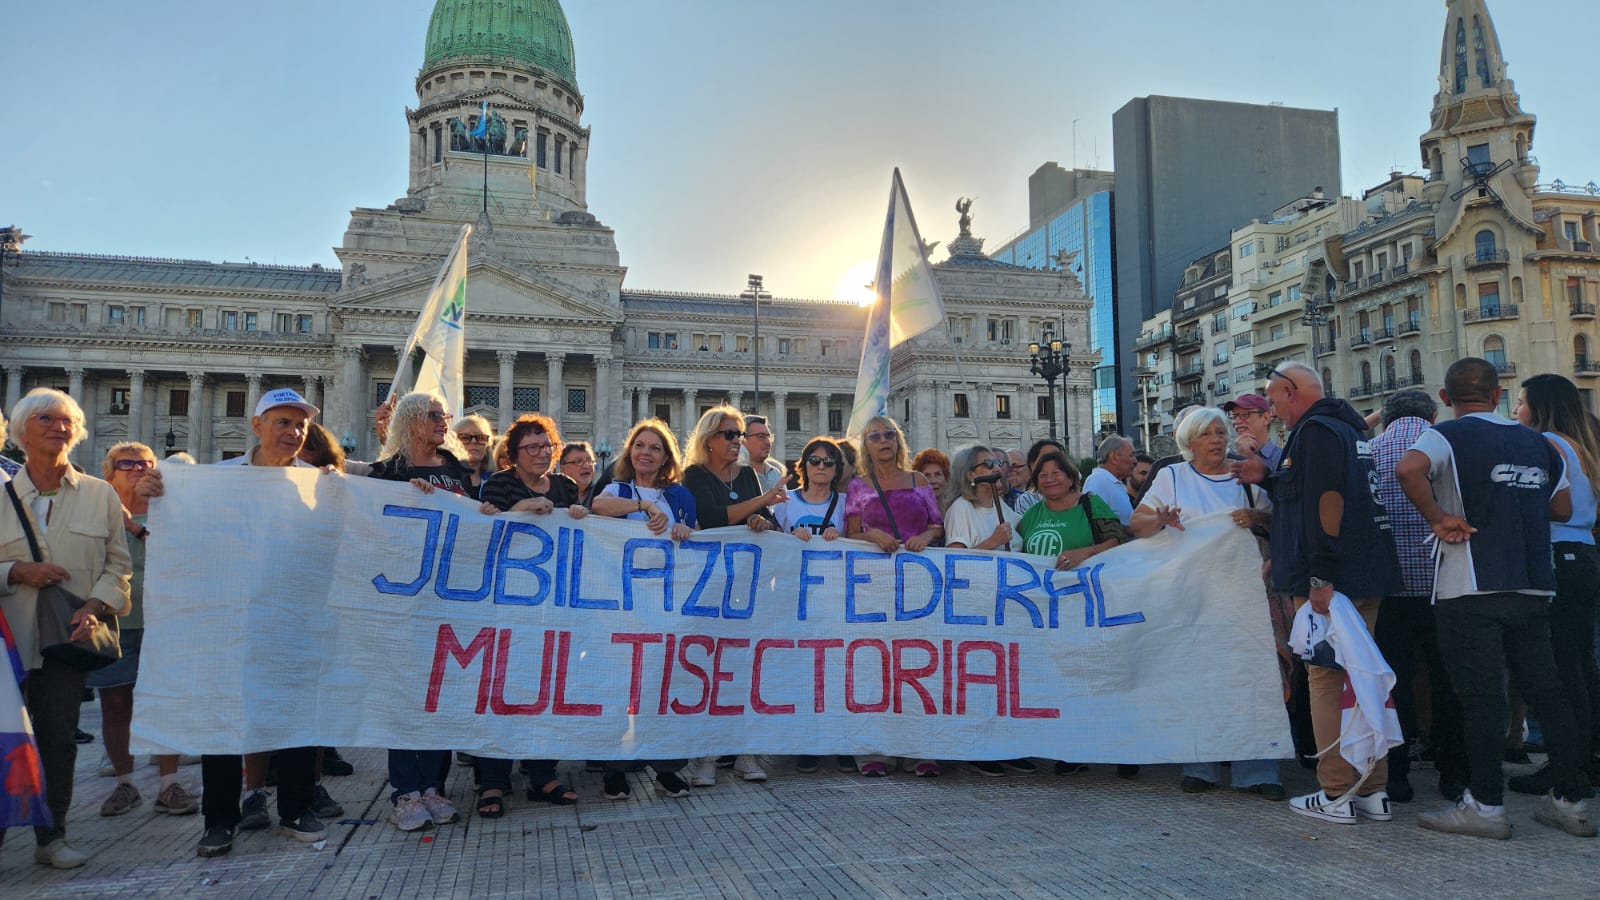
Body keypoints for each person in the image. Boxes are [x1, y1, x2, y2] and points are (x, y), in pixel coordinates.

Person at [1397, 359, 1595, 839]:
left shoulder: (1447, 434)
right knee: (1549, 691)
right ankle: (1569, 800)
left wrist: (1438, 516)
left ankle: (1485, 807)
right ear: (1498, 394)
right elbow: (1562, 505)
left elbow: (1408, 468)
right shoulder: (1538, 441)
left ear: (1446, 399)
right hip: (1533, 581)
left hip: (1471, 582)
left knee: (1482, 697)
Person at [137, 387, 331, 856]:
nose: (293, 431)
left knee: (295, 714)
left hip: (293, 620)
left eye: (300, 424)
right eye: (283, 422)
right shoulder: (215, 481)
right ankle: (219, 818)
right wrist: (153, 495)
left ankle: (297, 809)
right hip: (228, 620)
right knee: (221, 715)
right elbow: (184, 531)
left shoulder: (321, 484)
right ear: (257, 425)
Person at [1234, 363, 1400, 826]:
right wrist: (1266, 478)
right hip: (1363, 575)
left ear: (1291, 391)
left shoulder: (1316, 432)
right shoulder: (1347, 430)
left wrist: (1319, 578)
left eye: (1274, 399)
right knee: (1361, 676)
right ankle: (1373, 789)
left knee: (1327, 679)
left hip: (1333, 582)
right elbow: (1306, 492)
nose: (1273, 409)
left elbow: (1327, 502)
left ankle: (1335, 792)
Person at [0, 389, 132, 869]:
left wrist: (96, 605)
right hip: (6, 642)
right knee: (3, 738)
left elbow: (118, 565)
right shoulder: (0, 494)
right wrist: (14, 573)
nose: (58, 426)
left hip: (66, 639)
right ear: (20, 431)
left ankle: (51, 836)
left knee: (58, 737)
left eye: (66, 420)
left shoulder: (100, 494)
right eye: (45, 419)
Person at [1129, 408, 1281, 800]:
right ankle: (1200, 764)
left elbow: (1275, 517)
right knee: (1196, 678)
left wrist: (1256, 515)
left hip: (1242, 595)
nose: (1215, 440)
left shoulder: (1242, 475)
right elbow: (1138, 523)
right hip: (1190, 598)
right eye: (1206, 434)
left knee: (1250, 679)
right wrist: (1161, 519)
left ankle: (1259, 768)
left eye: (1220, 432)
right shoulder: (1173, 476)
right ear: (1188, 442)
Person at [472, 413, 586, 815]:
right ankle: (492, 781)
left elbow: (582, 541)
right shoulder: (500, 484)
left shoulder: (566, 486)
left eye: (547, 446)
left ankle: (543, 774)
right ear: (513, 455)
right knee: (497, 690)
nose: (542, 454)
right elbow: (483, 530)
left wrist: (577, 517)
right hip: (504, 604)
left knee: (545, 690)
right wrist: (521, 507)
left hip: (551, 607)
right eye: (532, 448)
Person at [368, 391, 471, 832]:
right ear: (411, 422)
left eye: (443, 416)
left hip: (451, 597)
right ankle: (405, 791)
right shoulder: (390, 471)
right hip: (404, 599)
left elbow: (474, 517)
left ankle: (434, 786)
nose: (442, 423)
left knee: (439, 695)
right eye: (434, 416)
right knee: (405, 696)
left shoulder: (453, 467)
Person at [90, 442, 199, 819]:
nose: (138, 469)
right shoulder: (94, 509)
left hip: (165, 617)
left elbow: (190, 552)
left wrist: (134, 524)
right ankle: (125, 782)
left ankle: (169, 784)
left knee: (165, 701)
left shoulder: (171, 507)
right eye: (127, 464)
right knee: (115, 703)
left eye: (146, 463)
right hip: (113, 621)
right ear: (110, 472)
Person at [590, 418, 696, 799]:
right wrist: (639, 503)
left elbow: (694, 540)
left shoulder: (680, 496)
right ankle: (614, 769)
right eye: (639, 445)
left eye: (654, 447)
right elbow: (597, 507)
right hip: (620, 604)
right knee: (619, 688)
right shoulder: (617, 488)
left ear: (666, 456)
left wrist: (686, 531)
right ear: (629, 452)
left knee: (662, 686)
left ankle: (667, 768)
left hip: (665, 605)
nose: (645, 452)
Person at [1369, 389, 1463, 804]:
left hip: (1390, 586)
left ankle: (1397, 774)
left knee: (1395, 680)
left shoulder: (1370, 450)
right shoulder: (1446, 445)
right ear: (1433, 412)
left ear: (1386, 419)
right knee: (1448, 679)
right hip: (1447, 583)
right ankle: (1454, 773)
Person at [681, 406, 783, 783]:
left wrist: (762, 518)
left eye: (740, 434)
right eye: (730, 435)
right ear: (709, 440)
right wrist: (762, 502)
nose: (737, 442)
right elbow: (712, 518)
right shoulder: (695, 476)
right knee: (709, 670)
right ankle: (706, 756)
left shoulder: (748, 478)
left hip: (746, 587)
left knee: (746, 668)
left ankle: (746, 752)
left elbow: (766, 522)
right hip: (709, 588)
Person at [1510, 374, 1600, 795]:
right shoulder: (1581, 444)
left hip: (1557, 555)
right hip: (1583, 554)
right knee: (1581, 665)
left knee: (1560, 670)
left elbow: (1546, 504)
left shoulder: (1546, 443)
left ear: (1540, 406)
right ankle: (1583, 759)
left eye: (1522, 401)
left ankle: (1567, 768)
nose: (1516, 409)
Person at [1015, 448, 1126, 777]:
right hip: (1046, 614)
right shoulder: (1032, 515)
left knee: (1088, 677)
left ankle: (1101, 746)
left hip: (1088, 607)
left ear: (1070, 476)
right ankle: (1065, 747)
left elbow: (1117, 541)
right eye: (1043, 475)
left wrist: (1085, 552)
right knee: (1056, 679)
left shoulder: (1091, 504)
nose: (1050, 480)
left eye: (1056, 473)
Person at [846, 415, 944, 777]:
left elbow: (937, 524)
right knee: (877, 665)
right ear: (866, 446)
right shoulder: (858, 487)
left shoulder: (919, 481)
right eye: (875, 436)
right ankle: (876, 750)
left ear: (898, 441)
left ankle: (922, 749)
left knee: (920, 663)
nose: (883, 441)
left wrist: (927, 538)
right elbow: (849, 533)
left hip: (919, 581)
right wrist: (874, 537)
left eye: (889, 434)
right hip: (873, 584)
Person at [941, 445, 1015, 553]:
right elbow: (954, 559)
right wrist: (993, 542)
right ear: (971, 475)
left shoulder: (999, 504)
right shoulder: (961, 509)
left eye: (997, 463)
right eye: (989, 464)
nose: (997, 469)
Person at [772, 436, 847, 542]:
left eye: (828, 461)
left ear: (837, 469)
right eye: (814, 460)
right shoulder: (785, 501)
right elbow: (772, 543)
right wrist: (790, 538)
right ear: (804, 466)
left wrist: (841, 538)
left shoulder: (847, 504)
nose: (821, 466)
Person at [1083, 436, 1137, 526]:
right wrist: (1130, 531)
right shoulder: (1098, 480)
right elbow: (1093, 522)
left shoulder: (1112, 482)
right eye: (1131, 455)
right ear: (1114, 457)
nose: (1135, 460)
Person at [1225, 393, 1282, 471]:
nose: (1236, 421)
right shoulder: (1228, 459)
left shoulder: (1283, 458)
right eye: (1234, 416)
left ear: (1265, 418)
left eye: (1244, 415)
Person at [451, 413, 496, 495]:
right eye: (465, 437)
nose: (474, 441)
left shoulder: (497, 483)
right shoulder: (443, 478)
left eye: (481, 437)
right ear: (453, 442)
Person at [743, 415, 787, 492]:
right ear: (743, 440)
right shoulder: (733, 474)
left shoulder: (775, 473)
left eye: (769, 437)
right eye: (761, 436)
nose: (768, 442)